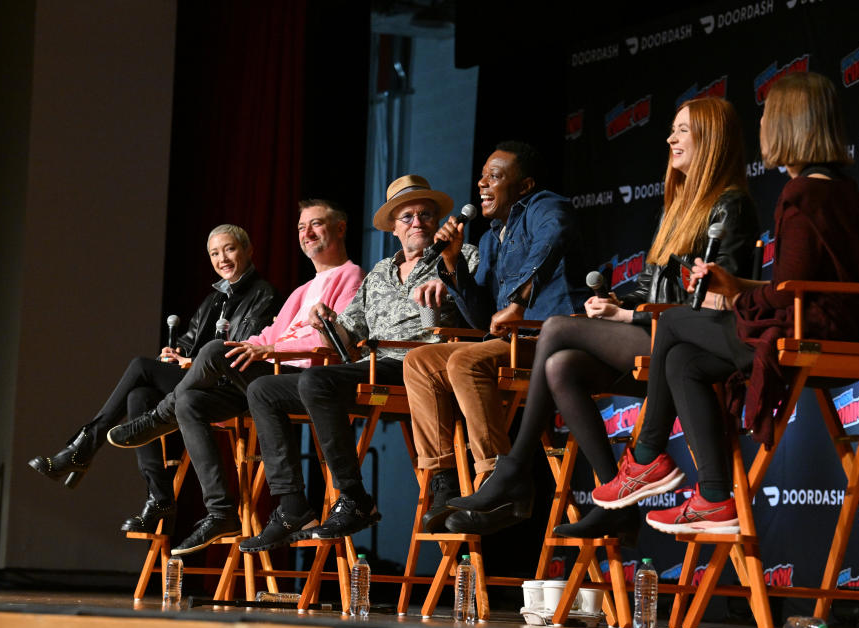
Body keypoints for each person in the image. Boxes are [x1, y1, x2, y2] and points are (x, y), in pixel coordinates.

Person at [448, 97, 760, 539]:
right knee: (561, 364)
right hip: (657, 331)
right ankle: (615, 496)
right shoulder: (680, 205)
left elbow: (715, 300)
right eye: (671, 128)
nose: (670, 138)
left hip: (689, 341)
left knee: (557, 328)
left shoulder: (730, 205)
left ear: (711, 139)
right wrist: (612, 302)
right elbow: (654, 280)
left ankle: (515, 468)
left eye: (683, 130)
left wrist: (626, 314)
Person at [595, 72, 859, 535]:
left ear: (790, 124)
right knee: (685, 360)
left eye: (768, 115)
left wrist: (738, 295)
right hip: (837, 327)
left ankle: (646, 458)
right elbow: (804, 283)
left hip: (810, 333)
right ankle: (713, 495)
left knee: (672, 325)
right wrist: (736, 285)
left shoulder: (802, 193)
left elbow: (789, 291)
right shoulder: (841, 188)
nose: (763, 124)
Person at [106, 200, 365, 555]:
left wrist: (264, 352)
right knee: (191, 400)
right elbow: (268, 334)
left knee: (213, 351)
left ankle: (157, 419)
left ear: (339, 228)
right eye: (302, 227)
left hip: (299, 378)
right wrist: (248, 349)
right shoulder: (304, 290)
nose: (306, 233)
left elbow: (332, 341)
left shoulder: (351, 276)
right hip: (266, 377)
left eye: (316, 224)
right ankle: (220, 511)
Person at [238, 175, 480, 551]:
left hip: (424, 368)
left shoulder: (461, 255)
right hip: (374, 369)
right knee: (262, 390)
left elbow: (478, 312)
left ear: (437, 221)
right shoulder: (380, 273)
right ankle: (291, 504)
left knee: (316, 382)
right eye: (408, 217)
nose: (417, 222)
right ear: (395, 228)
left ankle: (353, 498)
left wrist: (449, 282)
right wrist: (326, 320)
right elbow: (347, 331)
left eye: (426, 215)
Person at [28, 225, 279, 534]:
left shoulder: (263, 294)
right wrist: (177, 354)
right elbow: (189, 343)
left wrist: (189, 360)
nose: (222, 259)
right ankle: (159, 499)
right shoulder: (214, 299)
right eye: (215, 253)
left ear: (248, 250)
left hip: (229, 387)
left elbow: (238, 350)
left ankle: (84, 447)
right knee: (139, 396)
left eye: (229, 249)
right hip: (196, 381)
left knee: (139, 366)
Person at [402, 141, 584, 535]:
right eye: (483, 175)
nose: (482, 183)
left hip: (551, 339)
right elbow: (482, 319)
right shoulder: (488, 239)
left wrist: (520, 299)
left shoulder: (545, 208)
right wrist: (451, 261)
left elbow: (553, 240)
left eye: (496, 176)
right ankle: (444, 479)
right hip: (511, 341)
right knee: (419, 361)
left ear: (524, 185)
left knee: (466, 361)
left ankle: (500, 480)